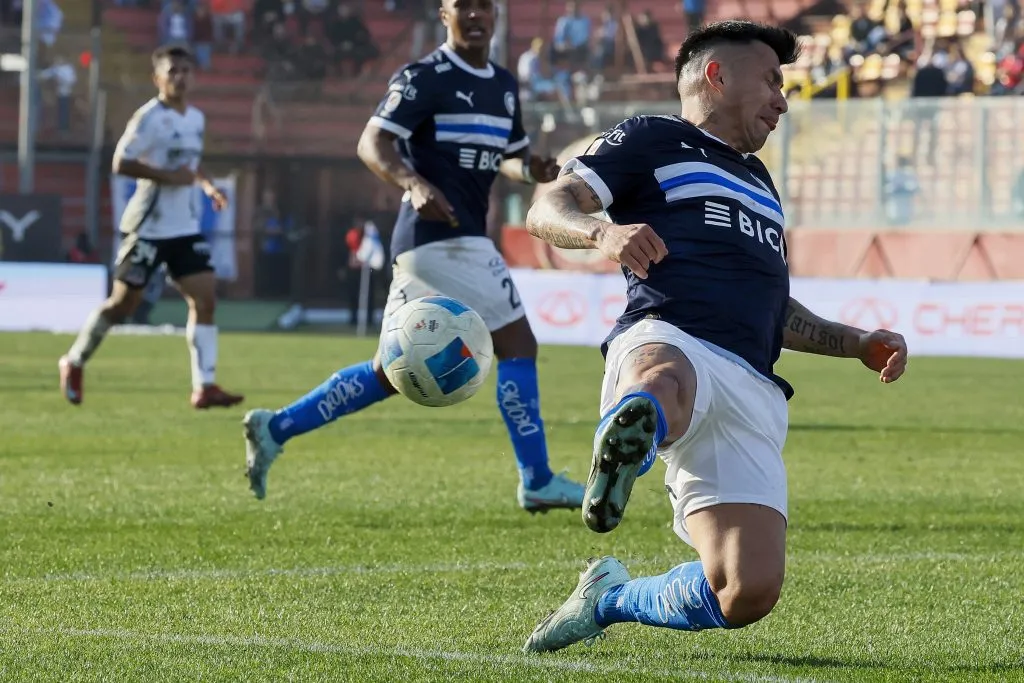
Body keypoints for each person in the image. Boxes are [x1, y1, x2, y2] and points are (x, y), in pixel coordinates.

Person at [520, 20, 909, 653]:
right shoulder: (650, 137)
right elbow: (546, 205)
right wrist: (601, 233)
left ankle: (609, 598)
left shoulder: (762, 185)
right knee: (661, 384)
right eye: (772, 82)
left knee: (745, 591)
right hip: (672, 335)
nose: (783, 100)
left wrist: (856, 342)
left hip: (753, 383)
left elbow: (773, 308)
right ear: (716, 75)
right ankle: (631, 441)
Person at [242, 0, 587, 514]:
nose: (476, 15)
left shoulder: (503, 83)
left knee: (390, 372)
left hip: (438, 245)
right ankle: (536, 478)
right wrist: (413, 182)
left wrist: (528, 168)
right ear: (443, 14)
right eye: (462, 6)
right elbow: (372, 142)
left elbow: (507, 159)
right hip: (444, 235)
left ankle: (277, 427)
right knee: (518, 344)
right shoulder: (425, 76)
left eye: (484, 6)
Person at [59, 44, 244, 410]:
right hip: (148, 227)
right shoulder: (148, 118)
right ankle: (74, 360)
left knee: (205, 300)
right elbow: (120, 163)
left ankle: (204, 386)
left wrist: (207, 186)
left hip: (184, 228)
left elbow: (191, 163)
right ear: (157, 78)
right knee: (122, 305)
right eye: (172, 71)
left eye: (185, 70)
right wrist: (166, 176)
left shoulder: (195, 118)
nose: (180, 77)